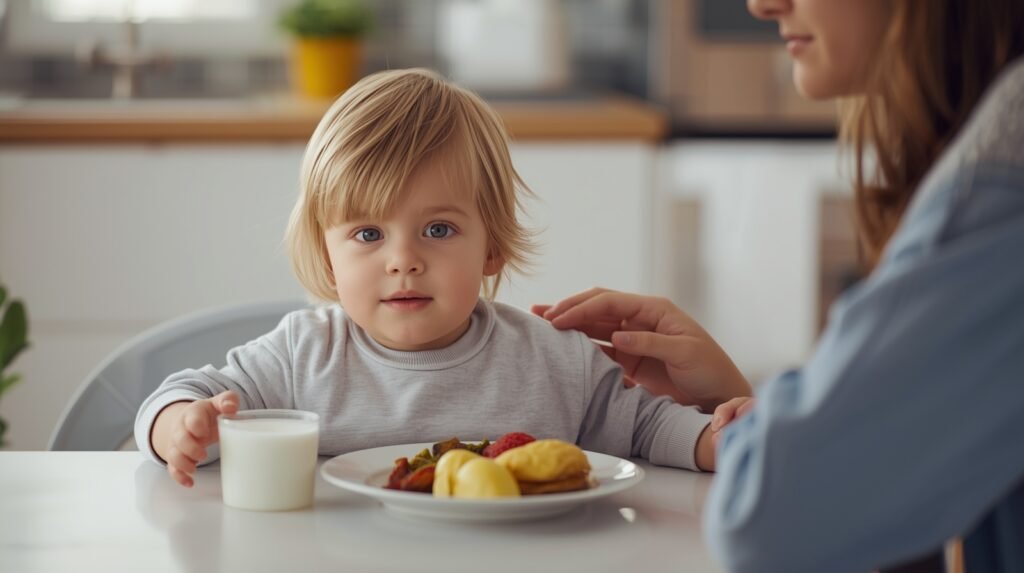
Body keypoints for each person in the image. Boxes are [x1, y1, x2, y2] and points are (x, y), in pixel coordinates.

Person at [535, 1, 1024, 572]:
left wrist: (775, 443)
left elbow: (768, 518)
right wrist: (741, 411)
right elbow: (872, 501)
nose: (762, 4)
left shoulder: (1001, 175)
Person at [133, 68, 718, 488]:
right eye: (368, 235)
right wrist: (180, 427)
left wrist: (712, 440)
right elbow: (183, 396)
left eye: (438, 230)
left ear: (491, 246)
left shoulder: (553, 358)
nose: (402, 260)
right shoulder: (301, 355)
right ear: (326, 253)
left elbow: (645, 428)